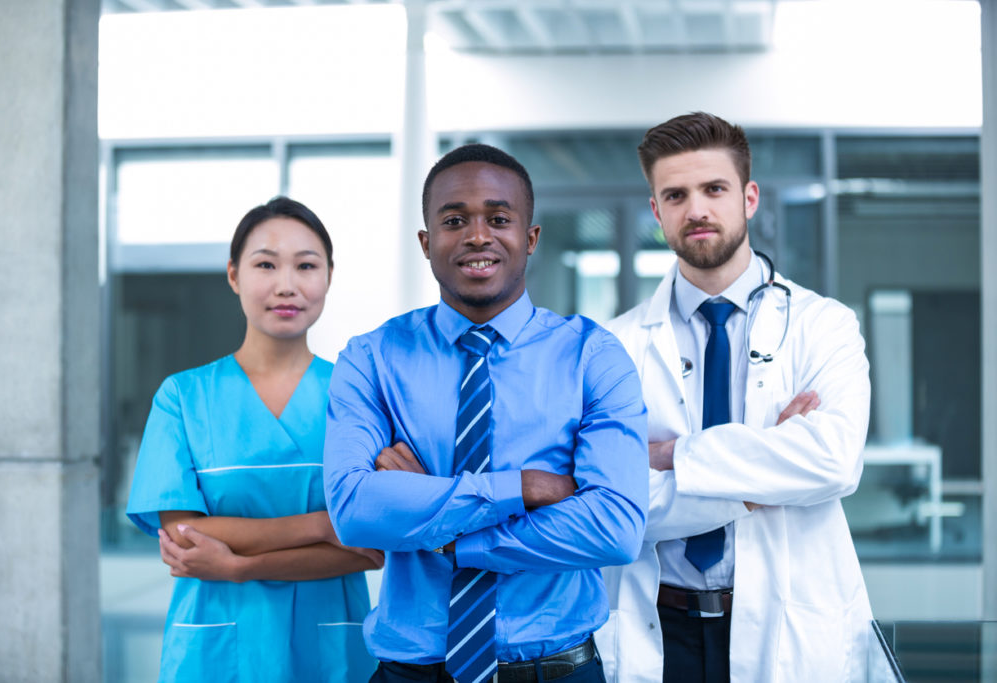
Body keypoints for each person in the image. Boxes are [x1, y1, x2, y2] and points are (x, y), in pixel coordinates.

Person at [323, 143, 650, 683]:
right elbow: (355, 509)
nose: (478, 235)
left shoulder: (593, 355)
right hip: (412, 671)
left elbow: (613, 528)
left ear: (530, 237)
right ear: (427, 243)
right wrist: (519, 488)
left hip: (556, 672)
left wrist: (447, 532)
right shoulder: (372, 358)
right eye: (455, 221)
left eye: (499, 218)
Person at [596, 113, 873, 683]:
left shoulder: (824, 325)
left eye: (713, 189)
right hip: (658, 628)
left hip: (787, 628)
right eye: (675, 195)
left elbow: (832, 461)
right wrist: (761, 478)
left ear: (749, 198)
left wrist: (674, 455)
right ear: (657, 211)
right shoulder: (615, 345)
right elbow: (610, 501)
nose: (695, 209)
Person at [125, 196, 382, 683]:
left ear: (328, 276)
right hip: (215, 652)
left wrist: (240, 564)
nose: (286, 285)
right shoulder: (183, 397)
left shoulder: (360, 397)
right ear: (234, 275)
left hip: (329, 650)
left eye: (306, 265)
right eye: (265, 264)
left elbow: (373, 548)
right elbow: (183, 537)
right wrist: (324, 525)